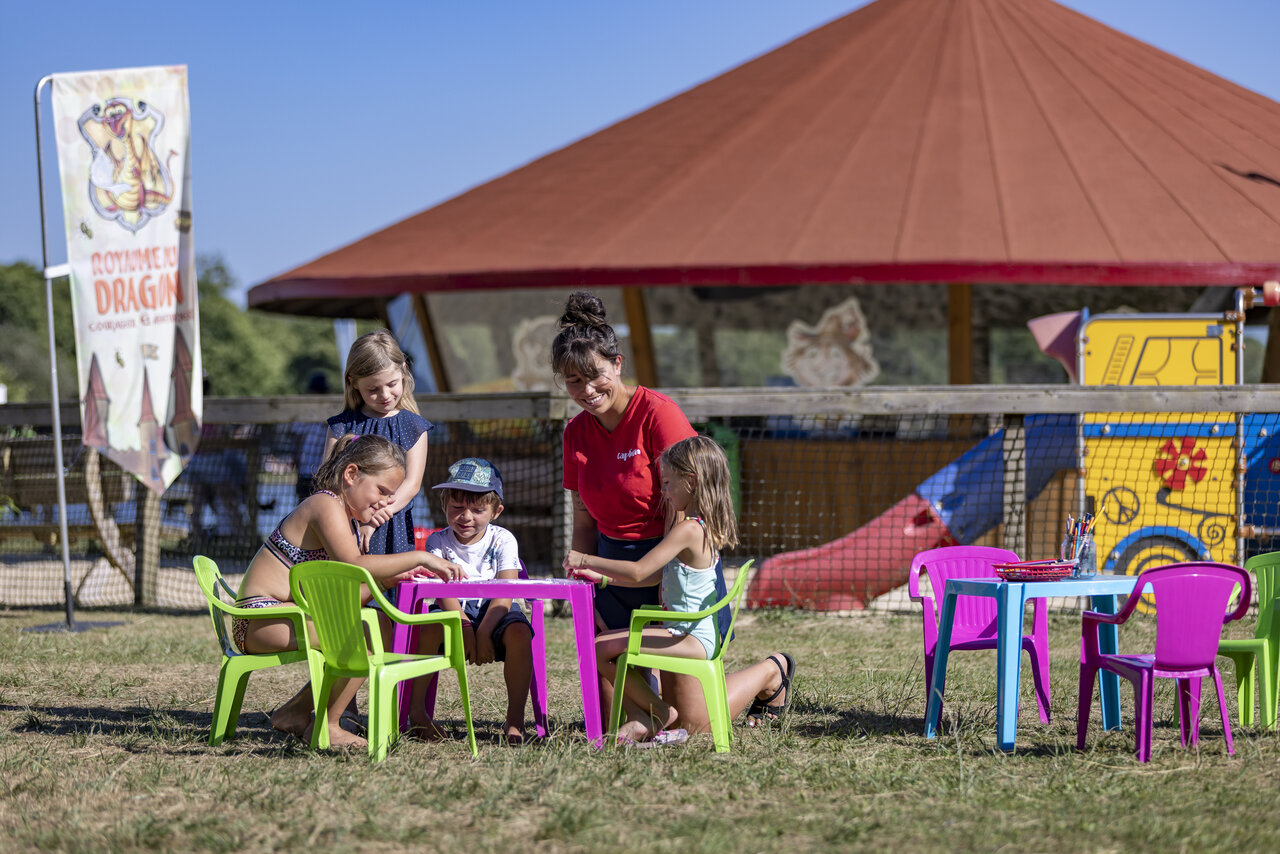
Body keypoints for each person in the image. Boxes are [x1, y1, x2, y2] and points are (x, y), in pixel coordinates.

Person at [233, 433, 464, 749]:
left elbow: (343, 597)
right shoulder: (325, 504)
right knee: (358, 641)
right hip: (258, 621)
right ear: (351, 474)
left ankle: (295, 713)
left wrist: (386, 582)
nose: (385, 502)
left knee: (377, 626)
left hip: (283, 617)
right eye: (382, 491)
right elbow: (354, 564)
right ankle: (327, 726)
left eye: (391, 495)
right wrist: (422, 556)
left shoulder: (346, 518)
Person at [565, 435, 796, 744]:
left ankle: (655, 713)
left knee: (600, 648)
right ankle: (651, 712)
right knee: (605, 647)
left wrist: (584, 558)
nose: (663, 491)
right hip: (686, 632)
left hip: (690, 637)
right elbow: (651, 577)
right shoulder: (697, 526)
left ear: (691, 481)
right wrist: (603, 579)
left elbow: (639, 570)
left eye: (667, 483)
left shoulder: (687, 529)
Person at [409, 457, 535, 745]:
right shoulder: (436, 542)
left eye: (478, 509)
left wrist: (484, 631)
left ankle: (515, 719)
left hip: (496, 611)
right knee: (427, 629)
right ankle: (417, 714)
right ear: (444, 505)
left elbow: (505, 592)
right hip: (453, 610)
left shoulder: (504, 539)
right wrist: (465, 627)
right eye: (456, 507)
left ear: (496, 511)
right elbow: (443, 593)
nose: (466, 516)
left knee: (520, 632)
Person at [324, 330, 431, 562]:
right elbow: (330, 482)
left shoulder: (414, 426)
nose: (385, 395)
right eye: (372, 390)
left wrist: (373, 520)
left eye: (392, 384)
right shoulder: (341, 426)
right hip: (346, 527)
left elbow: (411, 485)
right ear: (353, 382)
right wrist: (353, 522)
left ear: (403, 371)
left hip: (393, 525)